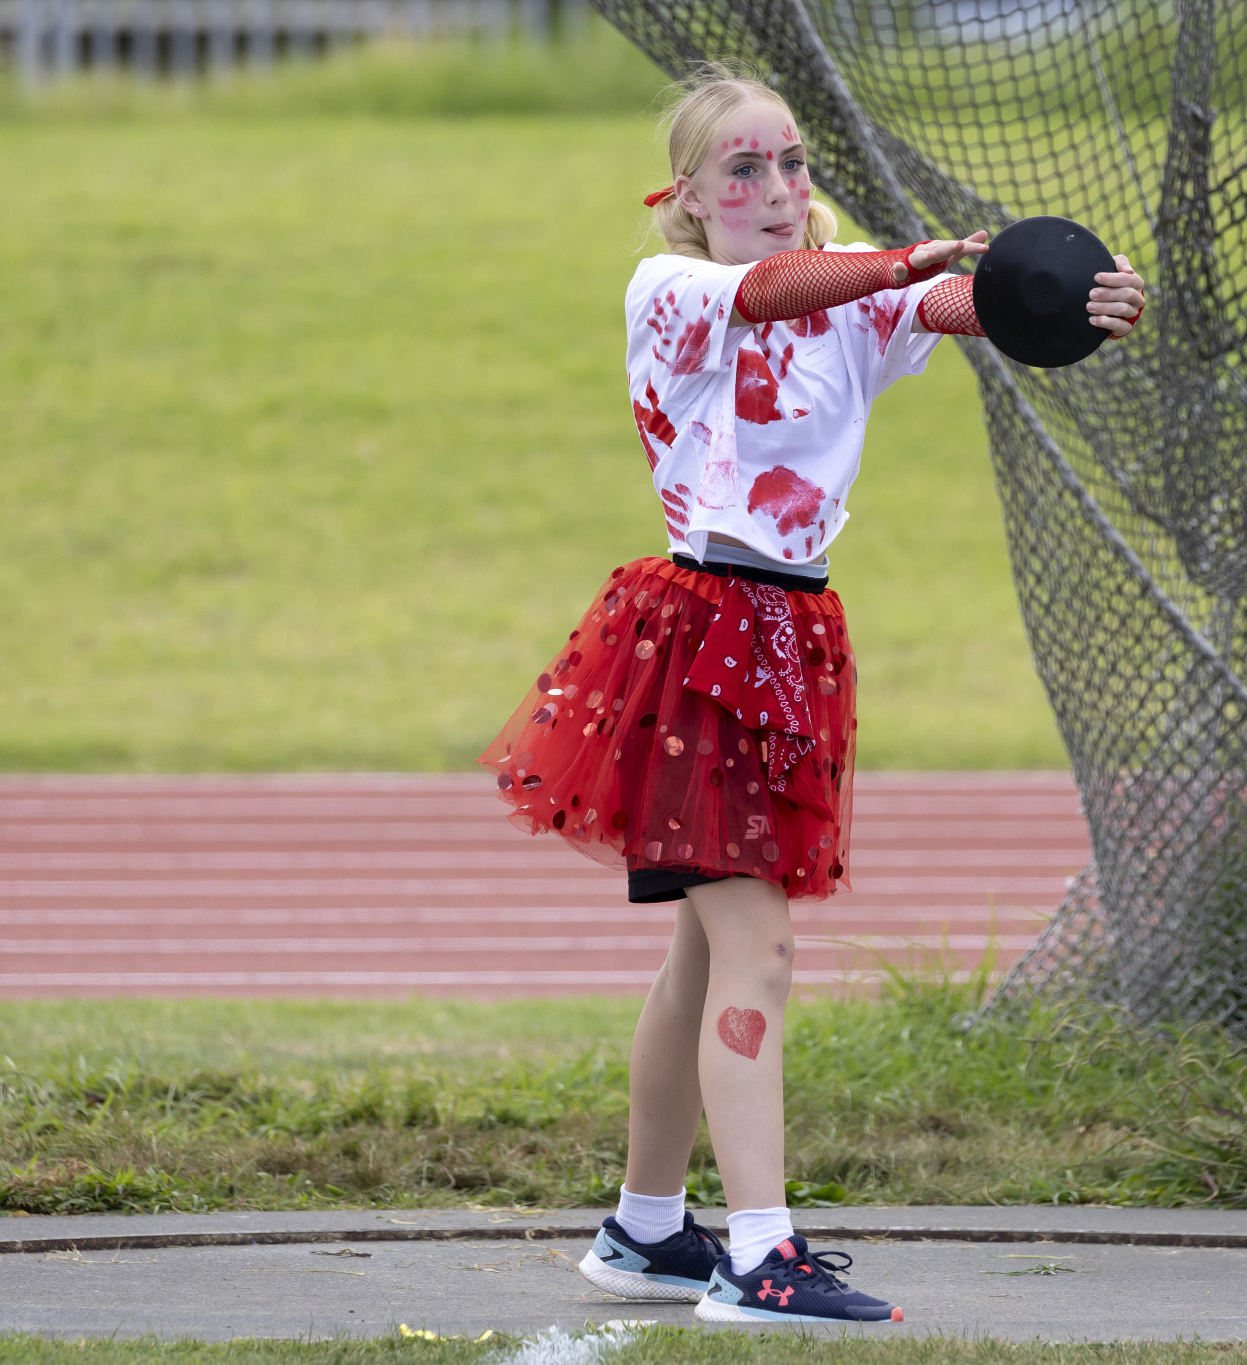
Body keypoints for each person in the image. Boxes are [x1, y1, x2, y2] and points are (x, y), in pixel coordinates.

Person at [480, 67, 1144, 1325]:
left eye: (788, 162)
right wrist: (893, 261)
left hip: (788, 630)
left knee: (700, 949)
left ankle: (643, 1230)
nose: (777, 187)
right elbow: (784, 289)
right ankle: (759, 1255)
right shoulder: (673, 288)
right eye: (742, 169)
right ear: (685, 196)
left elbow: (965, 303)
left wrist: (1078, 300)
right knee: (759, 948)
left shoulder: (855, 293)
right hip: (702, 634)